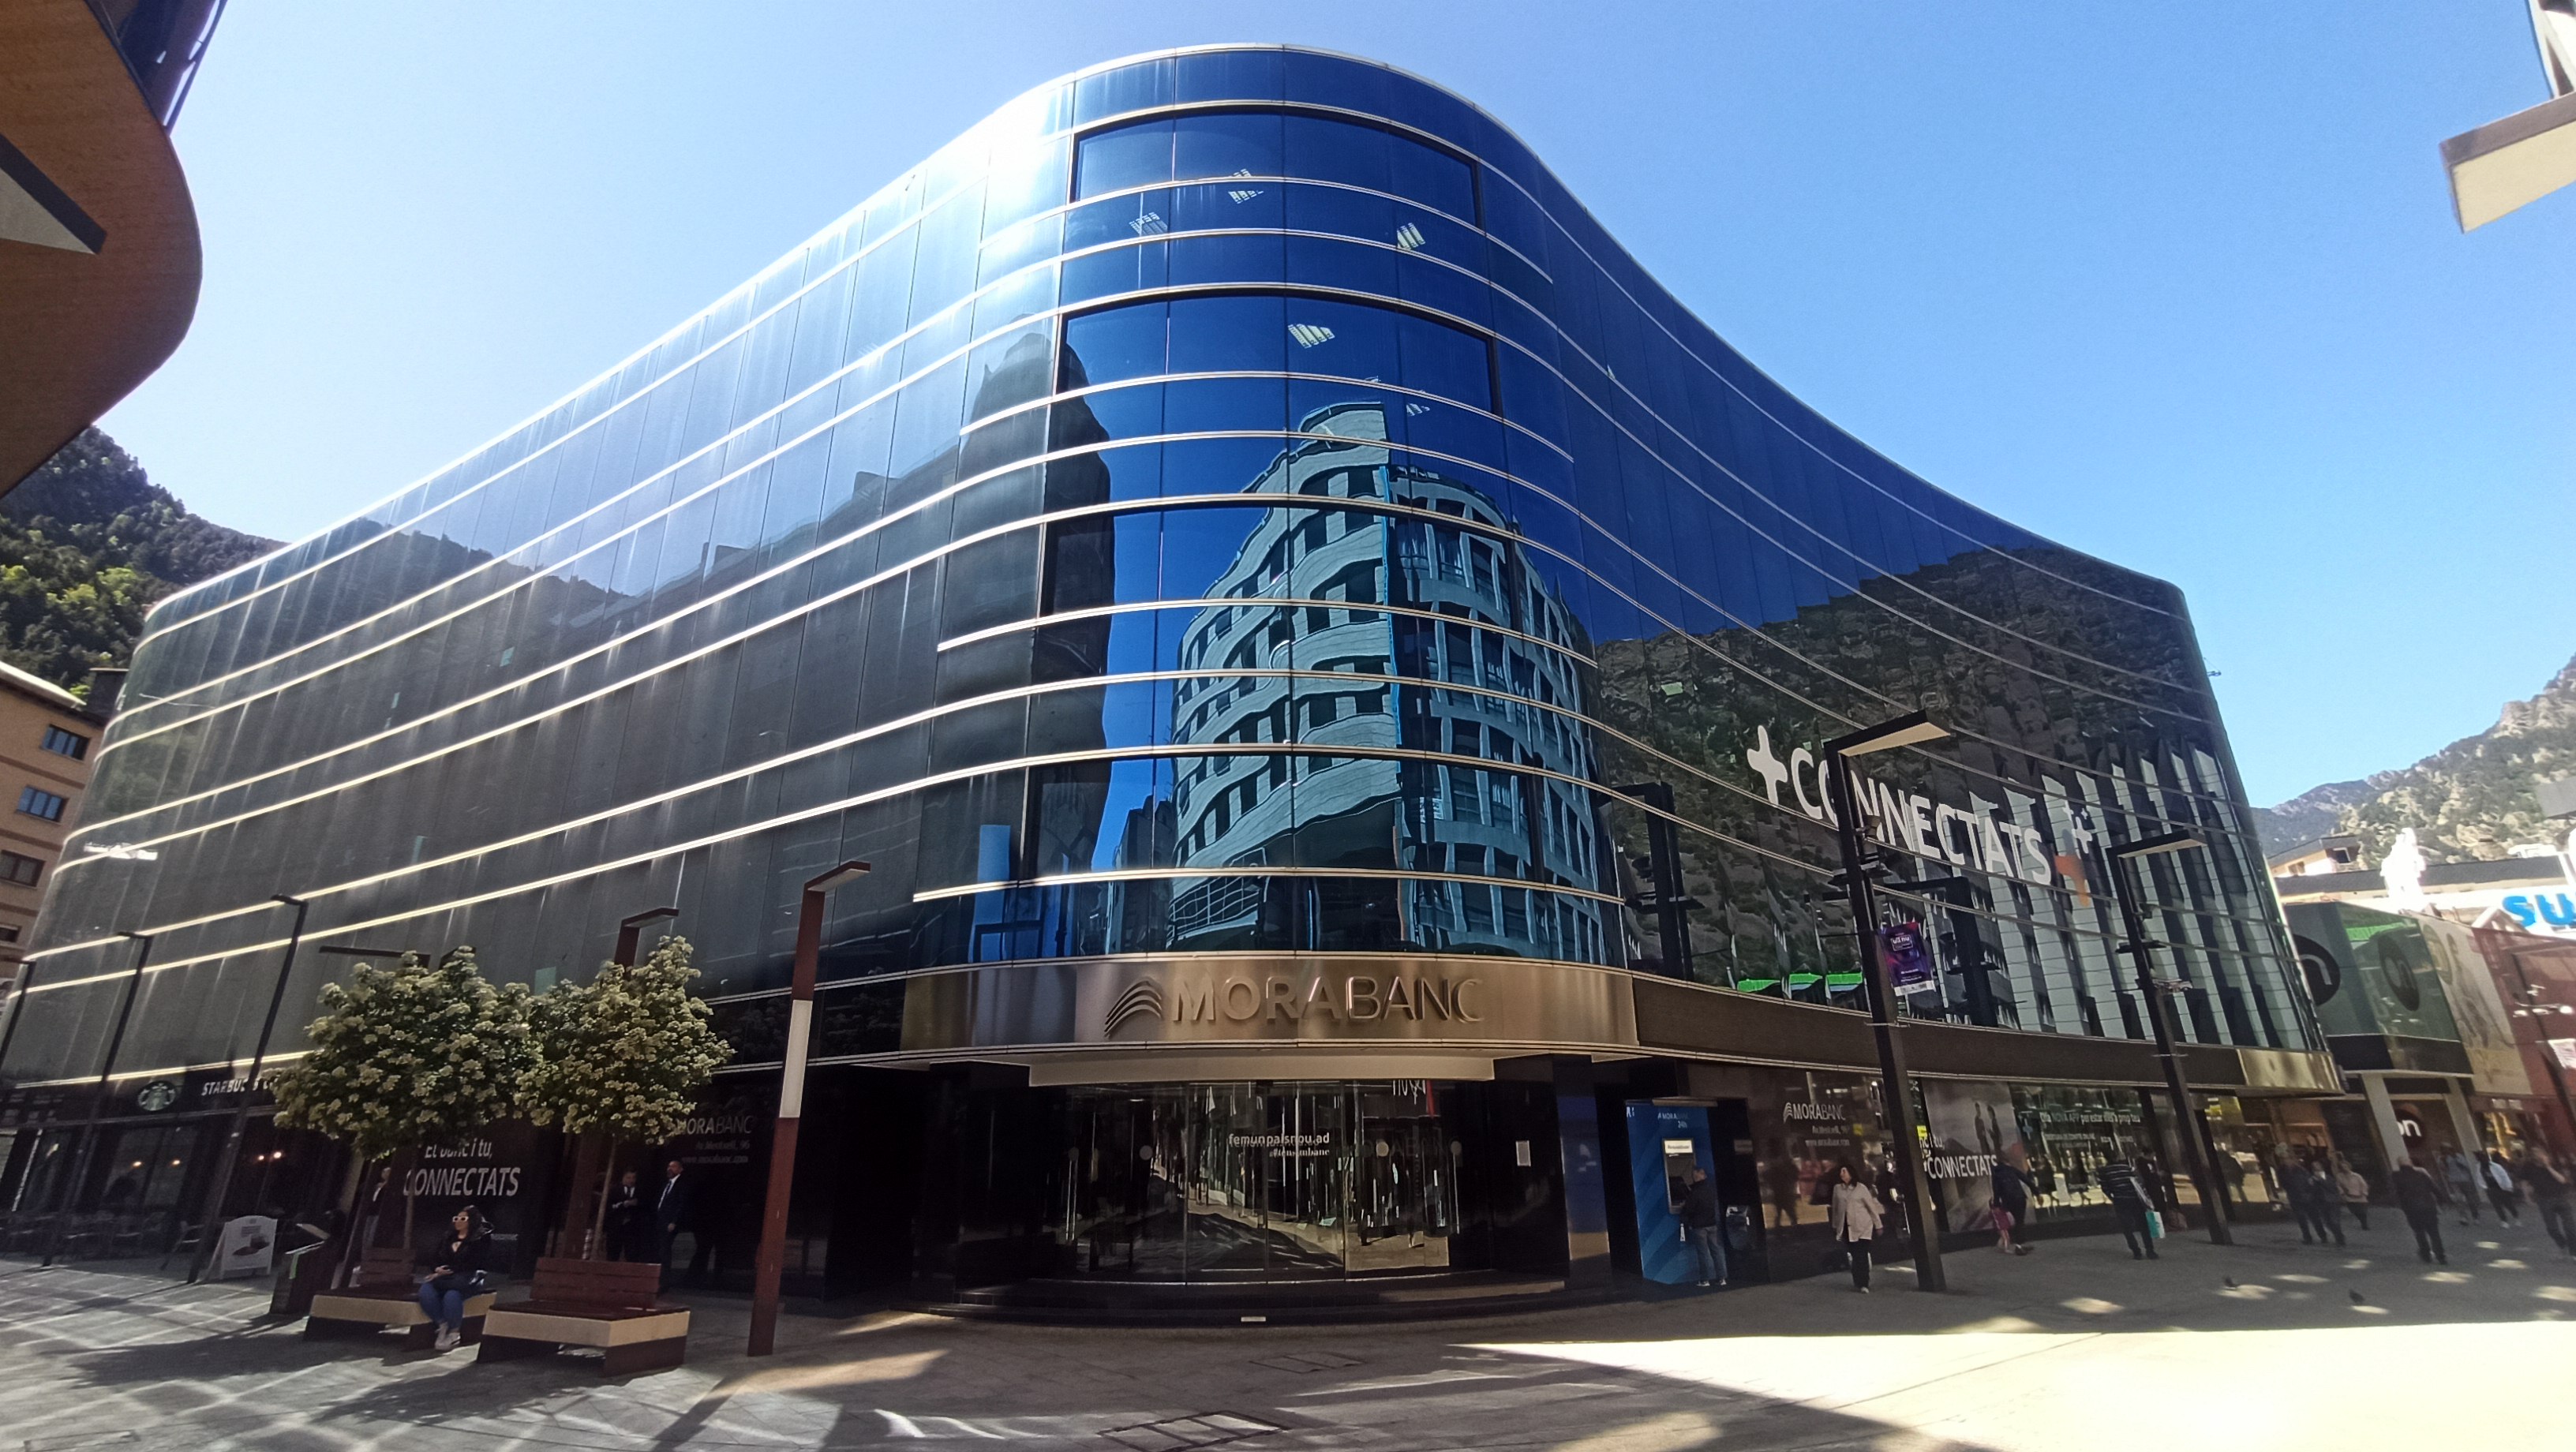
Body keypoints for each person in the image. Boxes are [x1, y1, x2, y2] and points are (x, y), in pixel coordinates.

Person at [415, 1207, 492, 1352]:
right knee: (426, 1291)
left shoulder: (481, 1238)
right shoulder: (448, 1237)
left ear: (472, 1221)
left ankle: (454, 1332)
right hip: (444, 1278)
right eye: (456, 1218)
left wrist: (448, 1271)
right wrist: (437, 1269)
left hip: (467, 1278)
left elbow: (475, 1263)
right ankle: (442, 1324)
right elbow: (435, 1257)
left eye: (463, 1219)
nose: (458, 1222)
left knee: (452, 1295)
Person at [1826, 1163, 1885, 1293]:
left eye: (1844, 1171)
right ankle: (1858, 1280)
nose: (1842, 1174)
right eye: (1841, 1172)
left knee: (1861, 1254)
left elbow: (1871, 1208)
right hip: (1847, 1228)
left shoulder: (1861, 1188)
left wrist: (1878, 1224)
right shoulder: (1838, 1189)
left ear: (1851, 1173)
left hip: (1863, 1226)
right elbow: (1836, 1209)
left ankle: (1864, 1283)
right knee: (1854, 1254)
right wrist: (1835, 1225)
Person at [2097, 1148, 2160, 1260]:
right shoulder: (2126, 1168)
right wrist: (2146, 1198)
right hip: (2135, 1199)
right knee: (2143, 1226)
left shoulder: (2104, 1171)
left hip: (2120, 1200)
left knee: (2127, 1227)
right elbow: (2138, 1183)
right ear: (2117, 1156)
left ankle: (2136, 1251)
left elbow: (2105, 1189)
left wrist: (2113, 1198)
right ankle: (2150, 1250)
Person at [2393, 1155, 2447, 1265]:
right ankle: (2440, 1256)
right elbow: (2434, 1188)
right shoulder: (2421, 1175)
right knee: (2434, 1232)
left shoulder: (2396, 1176)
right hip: (2428, 1206)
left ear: (2399, 1165)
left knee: (2419, 1232)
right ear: (2411, 1163)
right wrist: (2442, 1201)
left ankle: (2426, 1254)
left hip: (2411, 1208)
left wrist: (2400, 1205)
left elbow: (2394, 1192)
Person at [1679, 1167, 1727, 1288]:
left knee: (1703, 1253)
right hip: (1712, 1224)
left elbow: (1689, 1209)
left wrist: (1684, 1209)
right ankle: (1721, 1278)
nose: (1693, 1178)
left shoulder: (1695, 1192)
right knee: (1716, 1251)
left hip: (1699, 1226)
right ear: (1704, 1176)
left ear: (1696, 1177)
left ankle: (1705, 1280)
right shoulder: (1711, 1189)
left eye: (1694, 1176)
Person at [2519, 1151, 2574, 1256]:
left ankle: (2574, 1252)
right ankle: (2563, 1244)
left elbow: (2562, 1180)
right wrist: (2527, 1197)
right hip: (2544, 1200)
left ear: (2545, 1154)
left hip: (2561, 1198)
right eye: (2535, 1153)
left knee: (2570, 1227)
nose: (2538, 1155)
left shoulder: (2555, 1164)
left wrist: (2548, 1167)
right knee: (2552, 1228)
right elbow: (2524, 1182)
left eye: (2539, 1153)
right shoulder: (2528, 1167)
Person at [1990, 1146, 2035, 1256]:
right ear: (2007, 1162)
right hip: (2019, 1198)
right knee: (2020, 1222)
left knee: (2016, 1222)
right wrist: (2036, 1192)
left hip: (2007, 1201)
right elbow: (2026, 1179)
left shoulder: (1996, 1173)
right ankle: (2019, 1245)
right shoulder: (2011, 1170)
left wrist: (1996, 1204)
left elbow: (1996, 1190)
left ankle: (2018, 1244)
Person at [653, 1159, 695, 1274]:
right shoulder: (666, 1184)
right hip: (660, 1220)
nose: (670, 1169)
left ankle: (665, 1275)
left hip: (670, 1222)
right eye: (669, 1166)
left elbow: (682, 1204)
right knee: (659, 1248)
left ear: (680, 1170)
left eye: (674, 1167)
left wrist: (674, 1221)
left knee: (665, 1249)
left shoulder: (682, 1185)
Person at [601, 1169, 645, 1261]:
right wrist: (623, 1204)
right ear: (623, 1178)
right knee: (613, 1252)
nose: (631, 1180)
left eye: (633, 1178)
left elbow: (645, 1207)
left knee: (632, 1253)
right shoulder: (615, 1190)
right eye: (628, 1178)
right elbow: (609, 1206)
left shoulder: (640, 1191)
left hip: (632, 1227)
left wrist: (637, 1204)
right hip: (616, 1226)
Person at [2443, 1147, 2483, 1224]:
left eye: (2449, 1150)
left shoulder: (2460, 1157)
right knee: (2459, 1199)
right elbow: (2444, 1169)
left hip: (2464, 1180)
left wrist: (2459, 1162)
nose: (2448, 1152)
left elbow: (2467, 1166)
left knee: (2470, 1198)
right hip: (2454, 1181)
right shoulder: (2446, 1159)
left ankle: (2475, 1216)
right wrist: (2447, 1175)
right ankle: (2463, 1217)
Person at [2332, 1158, 2372, 1233]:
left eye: (2346, 1166)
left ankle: (2364, 1224)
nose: (2345, 1168)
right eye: (2342, 1167)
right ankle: (2361, 1220)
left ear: (2349, 1166)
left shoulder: (2357, 1176)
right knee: (2354, 1210)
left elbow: (2363, 1185)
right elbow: (2338, 1185)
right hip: (2349, 1196)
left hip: (2360, 1195)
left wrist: (2364, 1193)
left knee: (2362, 1211)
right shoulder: (2340, 1176)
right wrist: (2342, 1193)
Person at [2484, 1151, 2523, 1226]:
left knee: (2504, 1204)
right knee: (2503, 1204)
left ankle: (2508, 1219)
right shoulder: (2488, 1167)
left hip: (2499, 1188)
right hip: (2495, 1188)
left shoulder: (2496, 1165)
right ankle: (2510, 1219)